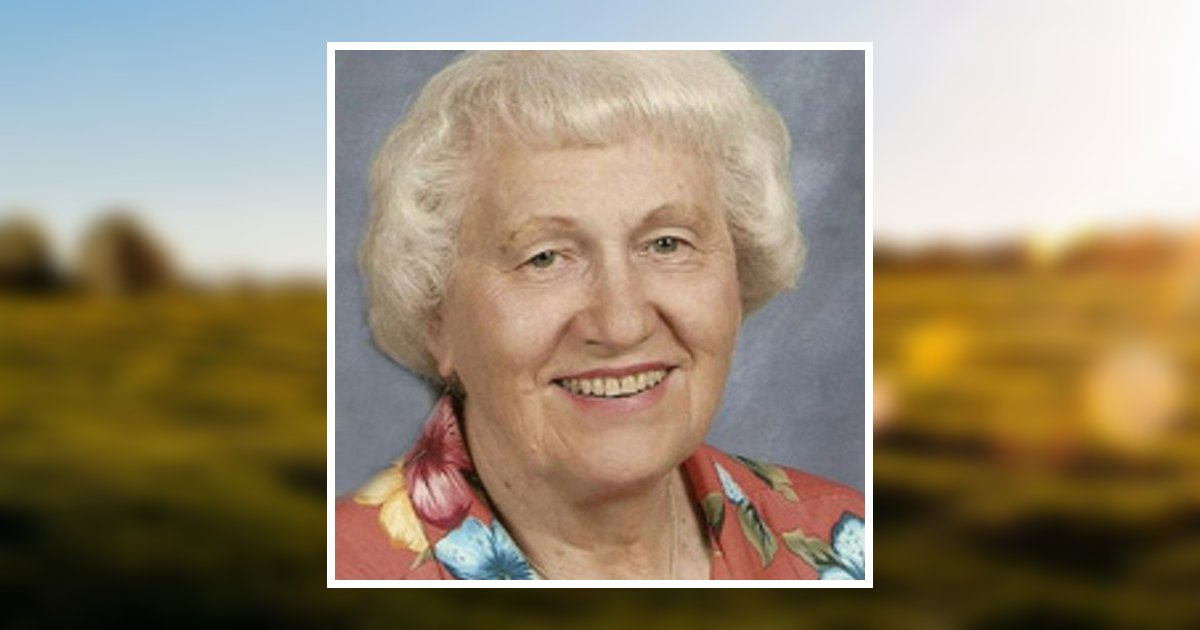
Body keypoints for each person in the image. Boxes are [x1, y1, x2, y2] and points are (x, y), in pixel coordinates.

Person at [336, 51, 864, 580]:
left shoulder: (846, 542)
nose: (621, 325)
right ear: (435, 314)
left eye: (667, 244)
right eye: (545, 257)